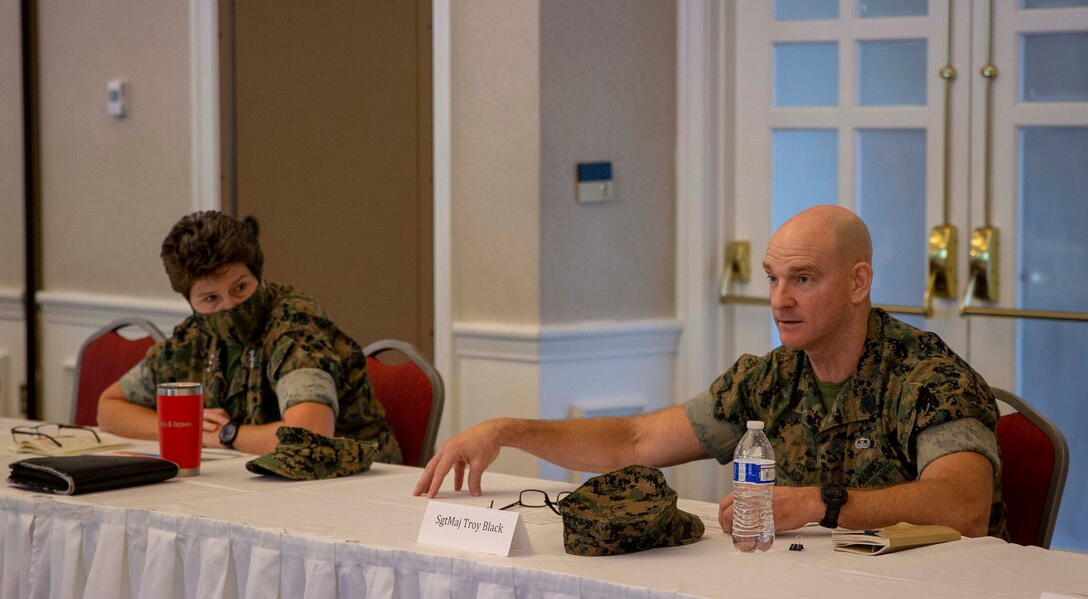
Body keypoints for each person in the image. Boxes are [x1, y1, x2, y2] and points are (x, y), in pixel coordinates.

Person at [414, 205, 1008, 539]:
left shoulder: (927, 377)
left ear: (858, 283)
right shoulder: (770, 377)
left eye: (803, 279)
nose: (779, 300)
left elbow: (964, 506)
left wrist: (818, 504)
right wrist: (508, 430)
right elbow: (636, 441)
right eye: (772, 279)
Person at [98, 210, 401, 461]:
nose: (229, 306)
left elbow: (309, 435)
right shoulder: (195, 335)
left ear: (261, 277)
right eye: (211, 299)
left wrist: (225, 435)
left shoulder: (294, 328)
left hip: (354, 484)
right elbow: (109, 408)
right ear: (190, 303)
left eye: (240, 288)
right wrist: (187, 428)